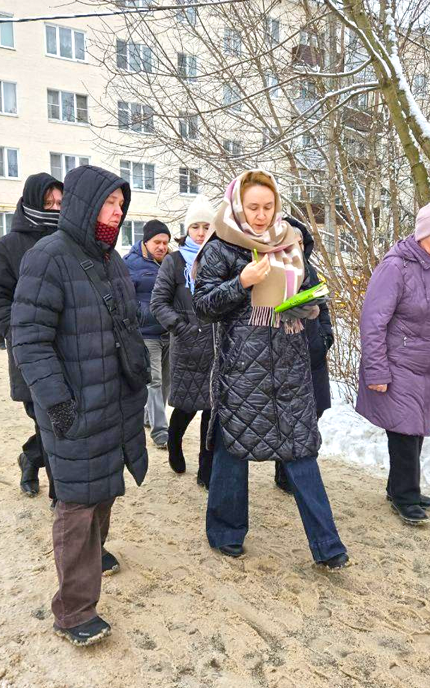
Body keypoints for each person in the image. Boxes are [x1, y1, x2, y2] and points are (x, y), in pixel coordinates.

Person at [11, 165, 149, 647]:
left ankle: (92, 562)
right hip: (74, 403)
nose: (117, 212)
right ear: (86, 205)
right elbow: (28, 340)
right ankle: (73, 612)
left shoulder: (111, 260)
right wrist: (58, 404)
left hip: (113, 399)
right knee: (77, 505)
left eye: (120, 205)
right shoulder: (47, 257)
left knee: (104, 491)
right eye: (109, 204)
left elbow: (124, 324)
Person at [193, 169, 349, 570]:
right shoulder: (221, 247)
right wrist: (241, 282)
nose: (261, 216)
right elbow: (203, 306)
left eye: (268, 206)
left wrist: (311, 309)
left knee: (301, 451)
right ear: (237, 206)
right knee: (233, 449)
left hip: (289, 365)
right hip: (242, 369)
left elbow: (314, 292)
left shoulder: (291, 242)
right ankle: (226, 534)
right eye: (253, 207)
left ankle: (328, 547)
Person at [356, 203, 430, 526]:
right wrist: (376, 370)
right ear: (422, 233)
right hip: (399, 363)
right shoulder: (395, 267)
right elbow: (373, 322)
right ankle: (405, 495)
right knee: (405, 431)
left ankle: (400, 488)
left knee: (416, 429)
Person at [0, 172, 63, 499]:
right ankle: (60, 497)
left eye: (60, 202)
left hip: (71, 350)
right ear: (31, 202)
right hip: (32, 355)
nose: (55, 208)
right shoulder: (8, 247)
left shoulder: (71, 241)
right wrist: (18, 331)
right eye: (48, 202)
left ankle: (31, 458)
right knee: (52, 423)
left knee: (63, 425)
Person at [149, 195, 216, 488]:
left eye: (206, 226)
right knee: (187, 407)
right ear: (187, 229)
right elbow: (158, 302)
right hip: (187, 347)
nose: (201, 233)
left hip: (216, 348)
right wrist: (181, 327)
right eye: (196, 227)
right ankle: (174, 444)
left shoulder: (221, 257)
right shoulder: (175, 262)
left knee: (212, 410)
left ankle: (206, 468)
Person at [273, 215, 334, 495]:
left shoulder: (311, 270)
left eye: (299, 240)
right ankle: (285, 470)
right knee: (291, 415)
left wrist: (326, 335)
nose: (295, 244)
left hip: (315, 351)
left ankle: (295, 463)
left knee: (317, 408)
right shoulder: (275, 269)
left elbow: (325, 306)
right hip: (287, 353)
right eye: (290, 240)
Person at [125, 220, 171, 450]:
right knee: (154, 381)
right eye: (157, 242)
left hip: (168, 332)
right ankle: (161, 431)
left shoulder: (171, 262)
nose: (162, 246)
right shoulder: (130, 264)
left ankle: (148, 416)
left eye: (165, 242)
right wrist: (138, 316)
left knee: (166, 382)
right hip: (146, 334)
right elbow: (124, 296)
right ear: (146, 241)